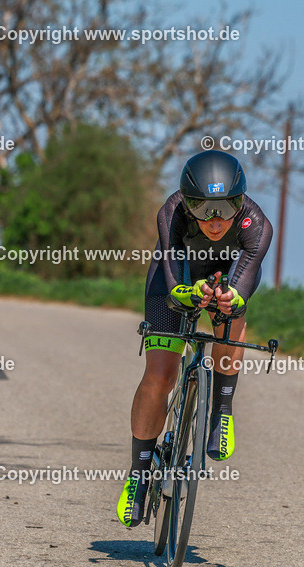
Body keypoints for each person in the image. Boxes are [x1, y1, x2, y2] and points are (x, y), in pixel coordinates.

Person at [117, 150, 273, 527]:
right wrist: (189, 293)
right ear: (187, 203)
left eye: (226, 207)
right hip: (174, 282)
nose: (215, 221)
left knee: (231, 315)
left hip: (225, 278)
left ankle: (222, 409)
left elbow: (245, 282)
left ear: (240, 202)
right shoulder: (171, 212)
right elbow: (173, 281)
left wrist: (232, 298)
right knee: (160, 376)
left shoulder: (257, 225)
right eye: (203, 209)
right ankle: (139, 474)